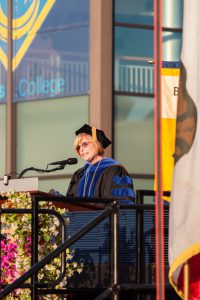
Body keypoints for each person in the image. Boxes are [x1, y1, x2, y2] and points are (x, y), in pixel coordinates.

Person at [66, 124, 135, 203]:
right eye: (78, 147)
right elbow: (70, 203)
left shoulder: (114, 170)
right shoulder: (79, 174)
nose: (81, 149)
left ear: (96, 144)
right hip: (80, 216)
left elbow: (120, 204)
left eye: (84, 144)